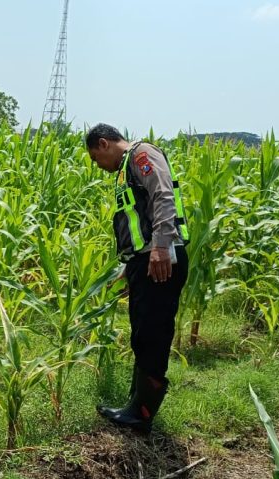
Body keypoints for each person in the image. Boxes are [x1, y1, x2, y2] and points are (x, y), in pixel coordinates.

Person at [85, 123, 190, 432]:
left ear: (103, 143)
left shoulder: (142, 155)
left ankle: (142, 414)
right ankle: (136, 404)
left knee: (153, 333)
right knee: (143, 332)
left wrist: (159, 246)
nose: (98, 166)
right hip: (145, 261)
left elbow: (163, 196)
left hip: (161, 257)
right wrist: (129, 267)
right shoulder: (127, 170)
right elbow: (136, 223)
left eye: (95, 158)